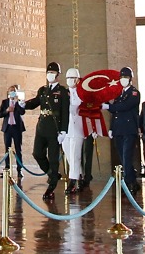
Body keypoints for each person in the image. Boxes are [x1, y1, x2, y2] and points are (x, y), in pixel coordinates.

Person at [25, 62, 70, 199]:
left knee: (53, 158)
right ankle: (52, 174)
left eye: (52, 72)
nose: (50, 75)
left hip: (54, 128)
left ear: (57, 74)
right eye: (48, 72)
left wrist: (63, 131)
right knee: (37, 153)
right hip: (42, 127)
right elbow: (34, 103)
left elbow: (65, 112)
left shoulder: (62, 92)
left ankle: (51, 186)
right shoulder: (43, 90)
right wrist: (22, 104)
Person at [104, 66, 142, 184]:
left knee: (127, 157)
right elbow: (115, 112)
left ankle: (128, 182)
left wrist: (108, 106)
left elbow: (124, 106)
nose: (123, 79)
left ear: (130, 79)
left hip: (129, 130)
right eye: (121, 77)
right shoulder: (119, 94)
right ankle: (132, 181)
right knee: (122, 157)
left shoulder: (134, 93)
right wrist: (111, 128)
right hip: (118, 129)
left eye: (125, 77)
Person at [60, 67, 88, 195]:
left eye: (72, 78)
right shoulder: (63, 93)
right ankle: (80, 176)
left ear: (77, 79)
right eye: (68, 78)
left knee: (75, 155)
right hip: (66, 129)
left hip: (78, 128)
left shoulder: (82, 93)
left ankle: (72, 181)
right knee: (69, 155)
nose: (70, 80)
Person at [0, 85, 27, 172]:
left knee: (18, 148)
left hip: (17, 128)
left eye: (14, 90)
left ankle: (19, 168)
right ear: (8, 92)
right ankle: (7, 167)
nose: (12, 92)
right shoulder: (4, 102)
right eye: (11, 90)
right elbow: (0, 114)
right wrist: (7, 110)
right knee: (7, 148)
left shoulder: (19, 101)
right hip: (7, 128)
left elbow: (22, 112)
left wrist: (17, 103)